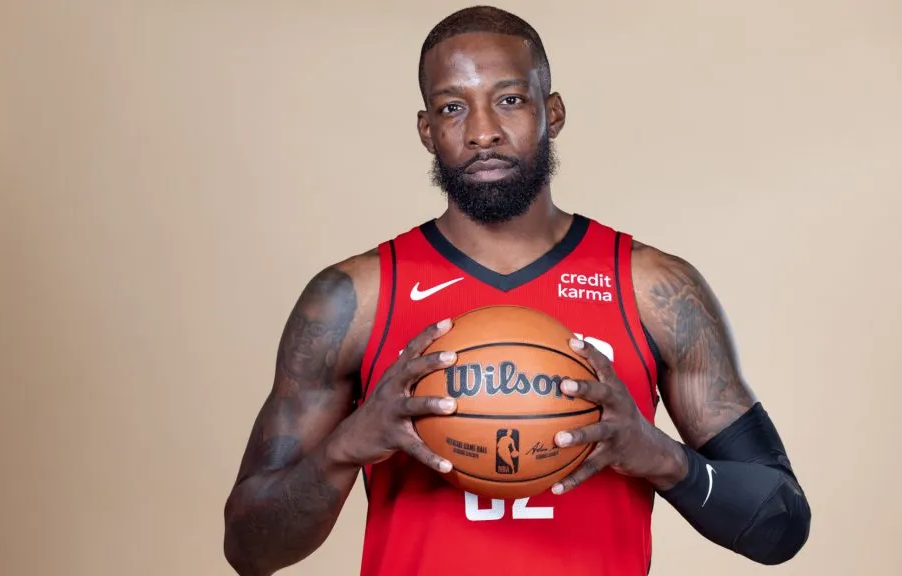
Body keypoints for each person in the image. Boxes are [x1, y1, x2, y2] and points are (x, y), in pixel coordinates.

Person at [222, 6, 811, 576]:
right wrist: (347, 445)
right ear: (427, 130)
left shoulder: (653, 289)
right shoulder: (354, 299)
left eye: (509, 100)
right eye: (453, 107)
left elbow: (779, 525)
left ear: (552, 112)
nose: (483, 132)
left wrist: (660, 455)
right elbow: (248, 551)